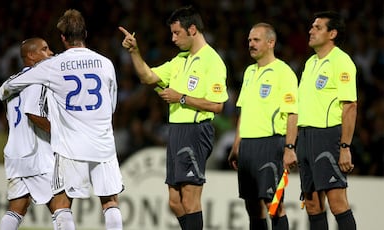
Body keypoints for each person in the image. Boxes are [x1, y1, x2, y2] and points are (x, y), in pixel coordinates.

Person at [0, 9, 124, 230]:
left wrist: (4, 89)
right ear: (85, 33)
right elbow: (111, 104)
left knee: (61, 204)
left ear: (63, 38)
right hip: (102, 143)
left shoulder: (53, 65)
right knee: (111, 202)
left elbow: (13, 84)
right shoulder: (106, 63)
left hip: (70, 146)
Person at [119, 5, 228, 230]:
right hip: (177, 131)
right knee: (175, 201)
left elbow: (217, 105)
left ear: (193, 30)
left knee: (189, 199)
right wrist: (134, 52)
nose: (172, 38)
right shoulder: (180, 60)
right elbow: (148, 77)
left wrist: (181, 98)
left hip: (196, 131)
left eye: (177, 33)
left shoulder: (212, 61)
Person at [227, 23, 298, 230]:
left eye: (256, 40)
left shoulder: (283, 72)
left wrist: (289, 148)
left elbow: (293, 113)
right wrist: (236, 145)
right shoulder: (249, 72)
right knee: (252, 206)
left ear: (271, 42)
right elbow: (244, 111)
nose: (251, 44)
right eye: (249, 40)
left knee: (274, 204)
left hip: (271, 144)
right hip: (247, 146)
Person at [297, 11, 357, 230]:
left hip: (327, 136)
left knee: (337, 202)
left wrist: (344, 146)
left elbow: (350, 106)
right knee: (312, 204)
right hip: (305, 137)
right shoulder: (310, 63)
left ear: (332, 33)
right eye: (312, 26)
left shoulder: (341, 62)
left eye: (318, 27)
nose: (311, 31)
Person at [0, 37, 56, 229]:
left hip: (14, 154)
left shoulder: (12, 81)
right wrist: (61, 133)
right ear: (31, 55)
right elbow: (33, 114)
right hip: (36, 154)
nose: (51, 53)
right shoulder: (38, 80)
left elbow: (1, 92)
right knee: (61, 205)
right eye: (45, 49)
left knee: (17, 208)